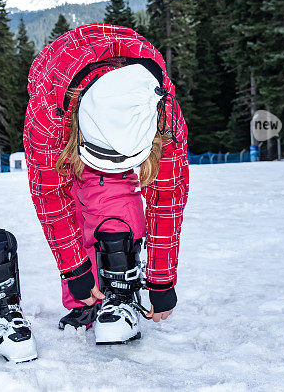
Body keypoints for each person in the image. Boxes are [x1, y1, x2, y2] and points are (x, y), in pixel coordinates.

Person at [23, 23, 189, 344]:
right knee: (72, 192)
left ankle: (119, 290)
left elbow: (167, 193)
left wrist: (161, 279)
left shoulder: (163, 109)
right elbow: (51, 197)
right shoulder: (48, 114)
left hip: (118, 63)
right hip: (59, 79)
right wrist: (74, 272)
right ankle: (87, 298)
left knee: (109, 193)